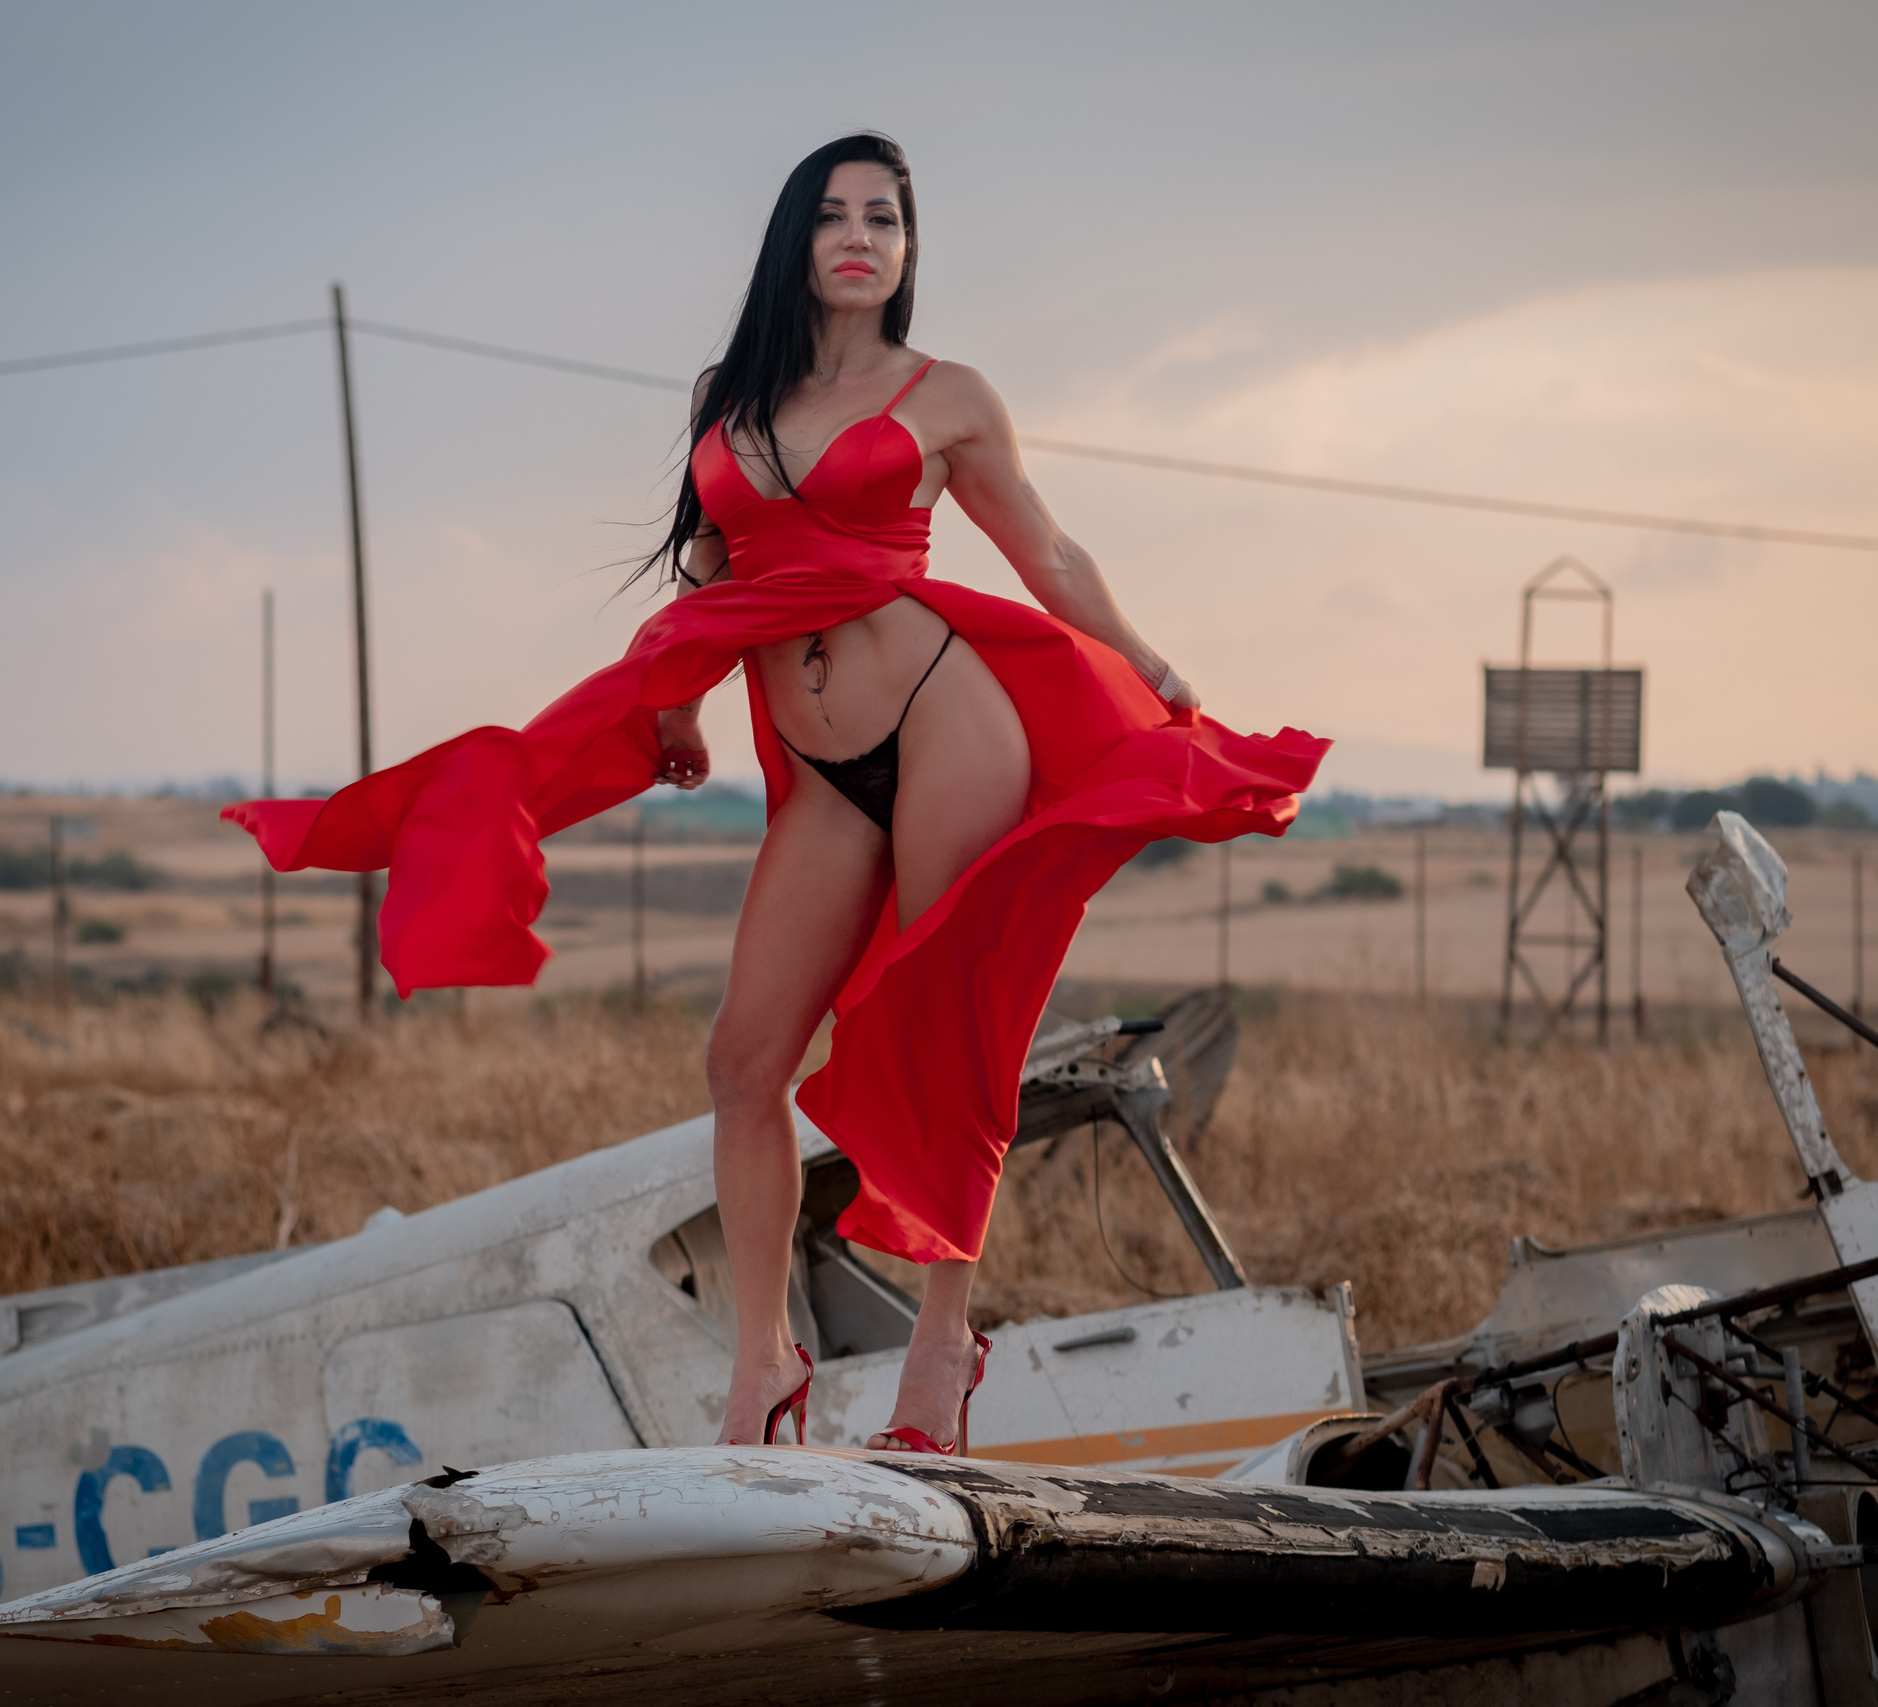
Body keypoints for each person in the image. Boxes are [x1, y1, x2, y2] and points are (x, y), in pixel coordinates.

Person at [224, 133, 1326, 1457]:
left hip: (946, 720)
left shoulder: (951, 395)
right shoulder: (732, 394)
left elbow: (1048, 546)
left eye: (887, 219)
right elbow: (710, 563)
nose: (861, 236)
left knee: (945, 1020)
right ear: (795, 239)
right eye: (835, 215)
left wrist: (1151, 668)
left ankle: (940, 1347)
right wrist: (677, 703)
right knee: (743, 1063)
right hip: (811, 769)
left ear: (909, 251)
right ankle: (765, 1365)